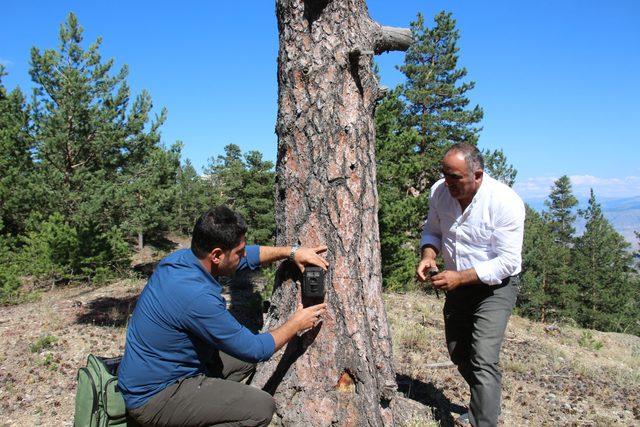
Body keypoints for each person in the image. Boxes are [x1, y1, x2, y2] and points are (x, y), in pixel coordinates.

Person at [118, 206, 328, 427]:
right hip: (154, 397)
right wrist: (296, 323)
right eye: (239, 252)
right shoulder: (196, 297)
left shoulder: (182, 260)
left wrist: (292, 252)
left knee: (242, 362)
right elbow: (256, 349)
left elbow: (249, 257)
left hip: (158, 371)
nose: (243, 256)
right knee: (260, 408)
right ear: (217, 255)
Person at [416, 143, 525, 427]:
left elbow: (508, 262)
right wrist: (429, 255)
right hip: (457, 285)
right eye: (445, 174)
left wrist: (460, 277)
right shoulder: (440, 192)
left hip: (495, 288)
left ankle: (483, 420)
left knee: (483, 357)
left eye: (455, 177)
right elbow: (433, 230)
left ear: (477, 175)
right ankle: (483, 398)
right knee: (458, 351)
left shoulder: (504, 201)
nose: (448, 182)